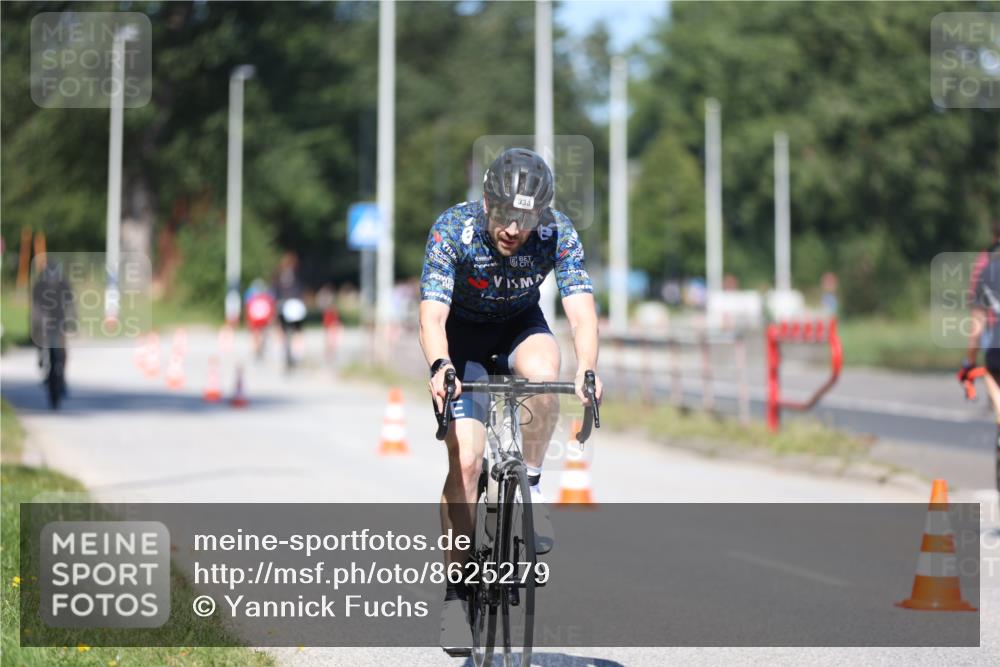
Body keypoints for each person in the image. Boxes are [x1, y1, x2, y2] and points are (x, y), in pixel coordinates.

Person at [418, 147, 603, 654]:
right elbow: (432, 318)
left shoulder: (557, 232)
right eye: (504, 215)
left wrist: (588, 366)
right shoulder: (451, 230)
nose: (513, 229)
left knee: (548, 375)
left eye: (526, 218)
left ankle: (534, 484)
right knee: (469, 463)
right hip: (464, 341)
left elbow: (581, 313)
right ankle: (458, 593)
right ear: (486, 201)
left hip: (520, 327)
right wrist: (441, 366)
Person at [960, 220, 1000, 415]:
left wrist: (969, 362)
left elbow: (976, 319)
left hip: (993, 331)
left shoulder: (985, 261)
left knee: (992, 371)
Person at [31, 259, 75, 404]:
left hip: (59, 321)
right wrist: (36, 323)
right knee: (40, 341)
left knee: (62, 350)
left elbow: (71, 305)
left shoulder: (64, 285)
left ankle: (62, 377)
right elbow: (35, 307)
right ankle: (41, 358)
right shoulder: (39, 286)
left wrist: (73, 321)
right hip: (43, 321)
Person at [272, 252, 307, 368]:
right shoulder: (298, 273)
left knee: (280, 328)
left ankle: (281, 352)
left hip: (283, 304)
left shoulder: (278, 274)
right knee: (298, 330)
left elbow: (275, 291)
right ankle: (297, 352)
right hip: (295, 305)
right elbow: (302, 289)